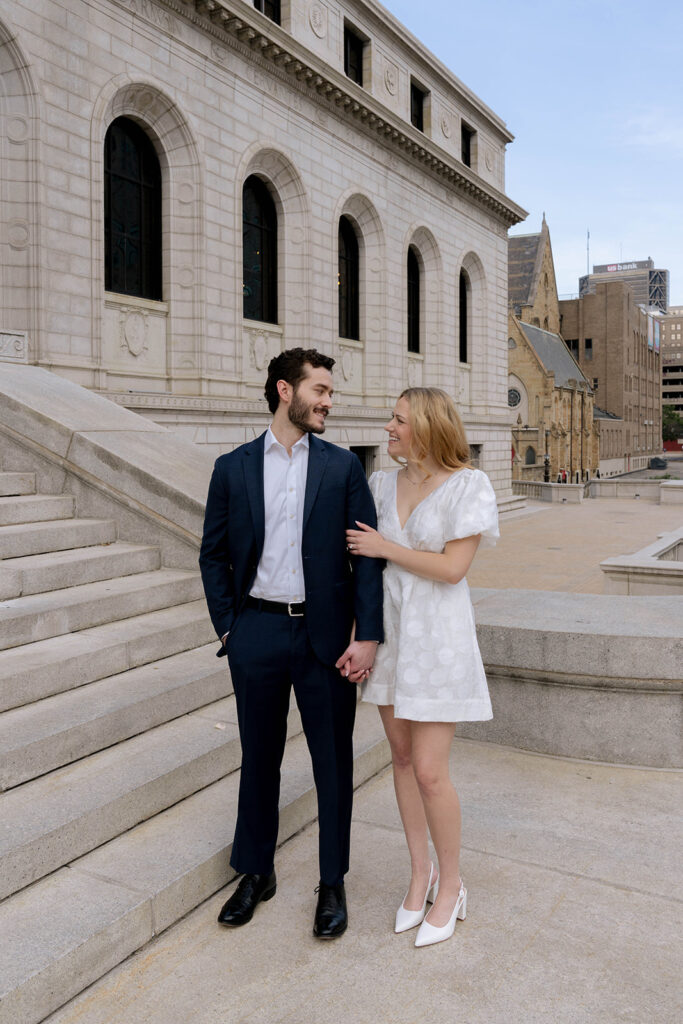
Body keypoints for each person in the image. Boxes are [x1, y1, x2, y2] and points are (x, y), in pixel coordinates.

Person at [199, 348, 383, 940]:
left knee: (333, 763)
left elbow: (368, 560)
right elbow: (214, 554)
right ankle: (255, 872)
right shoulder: (232, 468)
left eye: (331, 393)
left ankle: (332, 883)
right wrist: (231, 628)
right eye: (321, 390)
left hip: (325, 639)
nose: (330, 401)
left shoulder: (341, 467)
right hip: (257, 631)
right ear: (286, 391)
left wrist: (368, 634)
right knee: (259, 758)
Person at [346, 387, 498, 948]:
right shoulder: (380, 484)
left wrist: (385, 547)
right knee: (402, 759)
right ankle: (420, 873)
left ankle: (453, 883)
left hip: (438, 641)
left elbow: (454, 568)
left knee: (432, 771)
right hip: (389, 638)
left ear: (427, 427)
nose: (387, 427)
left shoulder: (469, 485)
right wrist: (360, 635)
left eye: (398, 420)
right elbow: (360, 570)